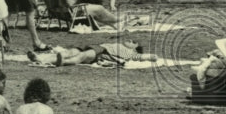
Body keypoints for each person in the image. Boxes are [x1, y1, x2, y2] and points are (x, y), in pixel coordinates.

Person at [27, 39, 157, 66]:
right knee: (70, 51)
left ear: (135, 47)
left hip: (102, 51)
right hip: (96, 46)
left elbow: (147, 57)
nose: (129, 40)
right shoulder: (119, 44)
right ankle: (40, 59)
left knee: (81, 56)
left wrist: (150, 56)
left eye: (133, 41)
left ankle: (63, 62)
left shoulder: (130, 53)